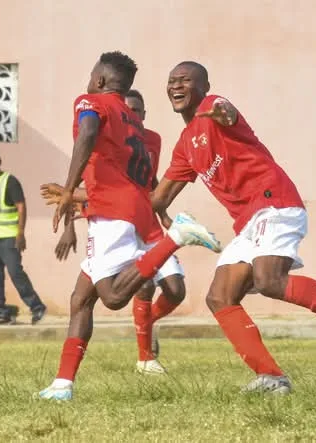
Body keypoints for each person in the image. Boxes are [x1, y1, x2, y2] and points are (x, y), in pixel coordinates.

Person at [151, 61, 316, 394]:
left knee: (269, 281)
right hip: (250, 222)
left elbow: (227, 112)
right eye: (171, 81)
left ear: (204, 86)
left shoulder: (212, 106)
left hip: (274, 203)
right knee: (219, 298)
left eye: (185, 80)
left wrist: (224, 111)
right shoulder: (184, 146)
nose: (176, 86)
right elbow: (157, 198)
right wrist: (87, 197)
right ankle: (271, 377)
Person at [37, 51, 221, 401]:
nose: (88, 82)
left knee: (114, 296)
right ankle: (63, 384)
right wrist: (78, 196)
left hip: (114, 213)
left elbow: (87, 133)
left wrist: (67, 191)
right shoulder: (131, 120)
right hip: (127, 207)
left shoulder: (92, 101)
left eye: (91, 76)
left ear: (101, 80)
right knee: (81, 299)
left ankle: (177, 237)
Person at [41, 89, 186, 375]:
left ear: (142, 116)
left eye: (138, 111)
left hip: (141, 220)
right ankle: (141, 360)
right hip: (118, 217)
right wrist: (70, 226)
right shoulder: (108, 141)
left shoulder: (151, 140)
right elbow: (91, 182)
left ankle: (147, 324)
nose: (132, 114)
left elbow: (149, 180)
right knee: (93, 296)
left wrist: (164, 213)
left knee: (174, 290)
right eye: (128, 109)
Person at [0, 145, 46, 324]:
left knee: (16, 274)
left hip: (9, 239)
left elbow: (21, 206)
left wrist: (21, 233)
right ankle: (0, 313)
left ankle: (37, 307)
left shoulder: (9, 181)